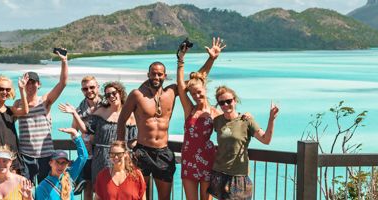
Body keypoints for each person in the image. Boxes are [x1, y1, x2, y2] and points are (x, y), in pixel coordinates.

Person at [117, 60, 179, 200]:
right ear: (148, 75)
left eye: (159, 74)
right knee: (138, 196)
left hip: (163, 153)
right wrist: (122, 149)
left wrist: (181, 60)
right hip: (142, 152)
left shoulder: (172, 91)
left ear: (165, 76)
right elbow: (121, 121)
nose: (156, 77)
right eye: (153, 74)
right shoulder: (137, 94)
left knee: (164, 198)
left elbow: (196, 80)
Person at [176, 38, 225, 200]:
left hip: (208, 159)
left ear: (204, 88)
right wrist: (181, 60)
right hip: (188, 160)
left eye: (199, 92)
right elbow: (181, 86)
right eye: (193, 94)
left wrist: (246, 118)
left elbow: (231, 131)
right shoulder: (189, 109)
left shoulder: (215, 113)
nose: (196, 96)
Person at [60, 81, 137, 184]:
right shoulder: (101, 111)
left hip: (121, 158)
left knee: (119, 187)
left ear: (120, 93)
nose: (111, 96)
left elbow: (133, 142)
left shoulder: (129, 114)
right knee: (100, 189)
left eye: (114, 93)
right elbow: (86, 129)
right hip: (101, 157)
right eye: (108, 95)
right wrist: (74, 113)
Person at [209, 86, 279, 199]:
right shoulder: (217, 121)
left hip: (238, 175)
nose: (226, 105)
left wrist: (271, 119)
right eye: (222, 103)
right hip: (219, 172)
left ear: (235, 100)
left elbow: (266, 140)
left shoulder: (246, 120)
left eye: (229, 101)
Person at [12, 50, 69, 183]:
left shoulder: (45, 101)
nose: (30, 85)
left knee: (46, 191)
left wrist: (64, 61)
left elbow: (63, 83)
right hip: (26, 156)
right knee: (25, 191)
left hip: (46, 156)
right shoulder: (18, 103)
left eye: (33, 82)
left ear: (39, 84)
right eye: (28, 82)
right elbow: (7, 123)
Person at [34, 128, 88, 200]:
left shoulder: (69, 176)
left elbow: (83, 156)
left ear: (67, 164)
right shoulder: (42, 188)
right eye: (57, 162)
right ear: (50, 163)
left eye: (63, 163)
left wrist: (75, 134)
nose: (60, 166)